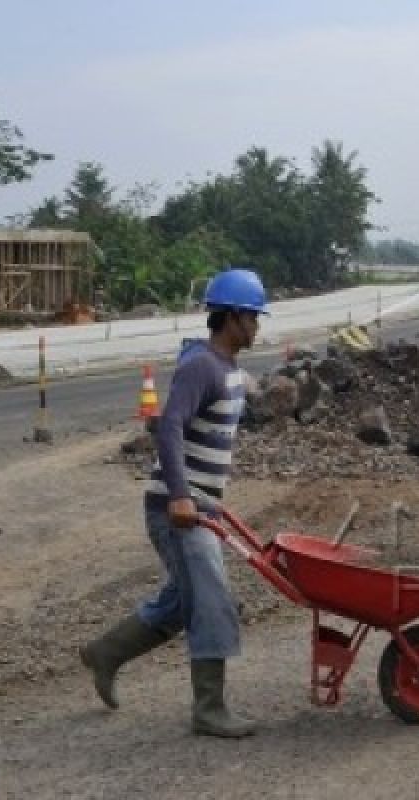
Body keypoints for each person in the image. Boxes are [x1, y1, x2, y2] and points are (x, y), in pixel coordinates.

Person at [80, 267, 265, 739]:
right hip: (176, 508)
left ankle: (107, 652)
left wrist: (209, 499)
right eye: (252, 316)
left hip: (202, 504)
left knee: (185, 599)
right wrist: (182, 497)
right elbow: (169, 426)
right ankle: (209, 709)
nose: (258, 325)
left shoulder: (230, 368)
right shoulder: (201, 365)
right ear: (230, 317)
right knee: (211, 599)